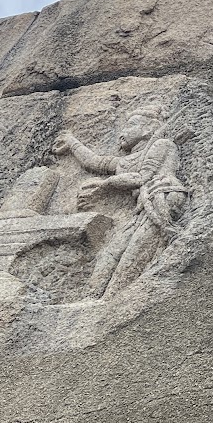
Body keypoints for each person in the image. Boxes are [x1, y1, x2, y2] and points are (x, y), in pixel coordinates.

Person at [53, 101, 190, 298]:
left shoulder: (162, 145)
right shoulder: (129, 160)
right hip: (141, 208)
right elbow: (95, 161)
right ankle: (94, 298)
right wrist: (72, 142)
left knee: (132, 258)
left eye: (130, 125)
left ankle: (112, 300)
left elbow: (141, 177)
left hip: (162, 199)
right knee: (109, 255)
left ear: (149, 129)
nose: (123, 131)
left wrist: (103, 187)